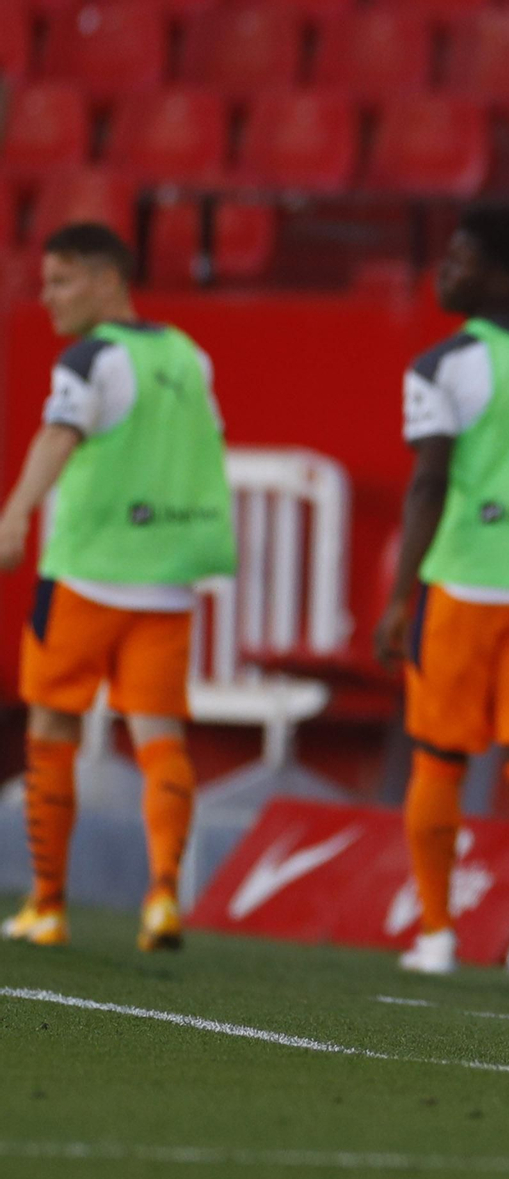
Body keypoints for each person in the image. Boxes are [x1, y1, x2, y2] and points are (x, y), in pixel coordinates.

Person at [0, 223, 236, 952]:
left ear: (109, 280)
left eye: (62, 281)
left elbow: (57, 436)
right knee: (161, 737)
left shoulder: (91, 357)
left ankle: (47, 904)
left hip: (87, 574)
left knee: (50, 730)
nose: (46, 297)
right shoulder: (189, 356)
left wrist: (13, 516)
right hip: (165, 582)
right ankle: (163, 896)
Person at [373, 206, 509, 979]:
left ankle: (436, 934)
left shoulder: (445, 365)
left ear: (500, 276)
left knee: (438, 759)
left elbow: (429, 481)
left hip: (465, 580)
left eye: (461, 258)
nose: (446, 270)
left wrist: (400, 597)